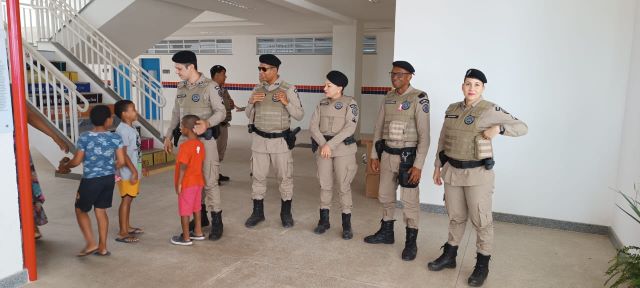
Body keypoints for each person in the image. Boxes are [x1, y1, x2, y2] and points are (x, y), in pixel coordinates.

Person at [427, 69, 528, 287]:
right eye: (467, 84)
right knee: (455, 217)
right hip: (452, 172)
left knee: (482, 221)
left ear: (483, 88)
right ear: (462, 86)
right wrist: (437, 166)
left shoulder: (489, 109)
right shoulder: (452, 109)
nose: (471, 88)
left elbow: (522, 127)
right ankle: (450, 256)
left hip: (477, 175)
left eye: (476, 84)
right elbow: (443, 139)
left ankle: (482, 265)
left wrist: (499, 129)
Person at [364, 61, 430, 261]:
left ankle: (411, 242)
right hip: (387, 155)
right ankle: (386, 233)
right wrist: (375, 155)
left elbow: (424, 135)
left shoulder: (419, 98)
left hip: (408, 159)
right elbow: (378, 128)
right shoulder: (389, 97)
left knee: (409, 202)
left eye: (400, 74)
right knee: (385, 196)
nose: (395, 77)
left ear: (410, 76)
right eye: (393, 74)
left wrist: (418, 165)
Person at [163, 50, 226, 241]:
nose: (177, 71)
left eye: (179, 68)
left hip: (205, 143)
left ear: (191, 67)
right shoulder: (181, 87)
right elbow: (176, 112)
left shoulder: (210, 87)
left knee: (209, 181)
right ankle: (201, 218)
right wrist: (168, 135)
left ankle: (217, 221)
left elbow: (221, 112)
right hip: (185, 143)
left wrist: (207, 123)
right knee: (191, 182)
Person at [244, 54, 303, 228]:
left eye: (264, 69)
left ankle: (286, 213)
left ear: (275, 70)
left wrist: (286, 103)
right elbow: (248, 115)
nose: (261, 72)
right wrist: (251, 103)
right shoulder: (257, 89)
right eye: (259, 69)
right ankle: (257, 213)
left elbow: (299, 115)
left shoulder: (288, 89)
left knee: (285, 178)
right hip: (259, 141)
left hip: (280, 142)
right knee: (258, 178)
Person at [59, 105, 126, 256]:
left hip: (90, 181)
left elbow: (76, 161)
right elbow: (121, 161)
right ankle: (102, 247)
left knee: (80, 209)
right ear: (108, 120)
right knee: (101, 210)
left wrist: (65, 165)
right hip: (109, 179)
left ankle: (90, 243)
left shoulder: (84, 137)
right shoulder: (115, 137)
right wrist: (108, 166)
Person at [308, 70, 358, 239]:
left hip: (343, 150)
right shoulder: (321, 104)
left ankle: (346, 225)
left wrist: (330, 144)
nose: (324, 88)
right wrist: (324, 145)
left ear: (340, 87)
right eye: (325, 85)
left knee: (344, 186)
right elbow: (313, 126)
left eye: (328, 85)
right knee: (325, 185)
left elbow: (350, 128)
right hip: (324, 150)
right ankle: (324, 221)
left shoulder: (350, 104)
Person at [27, 105, 70, 239]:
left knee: (24, 186)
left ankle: (30, 223)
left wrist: (54, 136)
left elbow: (28, 114)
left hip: (14, 148)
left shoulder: (6, 89)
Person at [171, 115, 206, 246]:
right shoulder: (200, 145)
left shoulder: (185, 146)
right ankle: (198, 232)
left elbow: (183, 167)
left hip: (187, 183)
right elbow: (200, 164)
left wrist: (180, 183)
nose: (180, 128)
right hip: (198, 182)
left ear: (187, 129)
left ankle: (185, 237)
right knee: (197, 208)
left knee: (185, 211)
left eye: (181, 126)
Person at [113, 100, 142, 243]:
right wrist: (134, 171)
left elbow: (134, 151)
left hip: (132, 170)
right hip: (127, 173)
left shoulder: (131, 128)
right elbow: (122, 155)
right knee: (126, 199)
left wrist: (140, 167)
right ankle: (123, 232)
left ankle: (127, 226)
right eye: (133, 109)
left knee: (129, 199)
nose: (135, 111)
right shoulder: (123, 130)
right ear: (124, 114)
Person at [209, 65, 238, 183]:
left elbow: (229, 104)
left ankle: (216, 173)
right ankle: (212, 177)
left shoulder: (223, 89)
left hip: (224, 125)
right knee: (213, 153)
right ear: (216, 75)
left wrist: (231, 104)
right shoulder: (209, 89)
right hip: (214, 126)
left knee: (220, 152)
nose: (225, 76)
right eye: (223, 74)